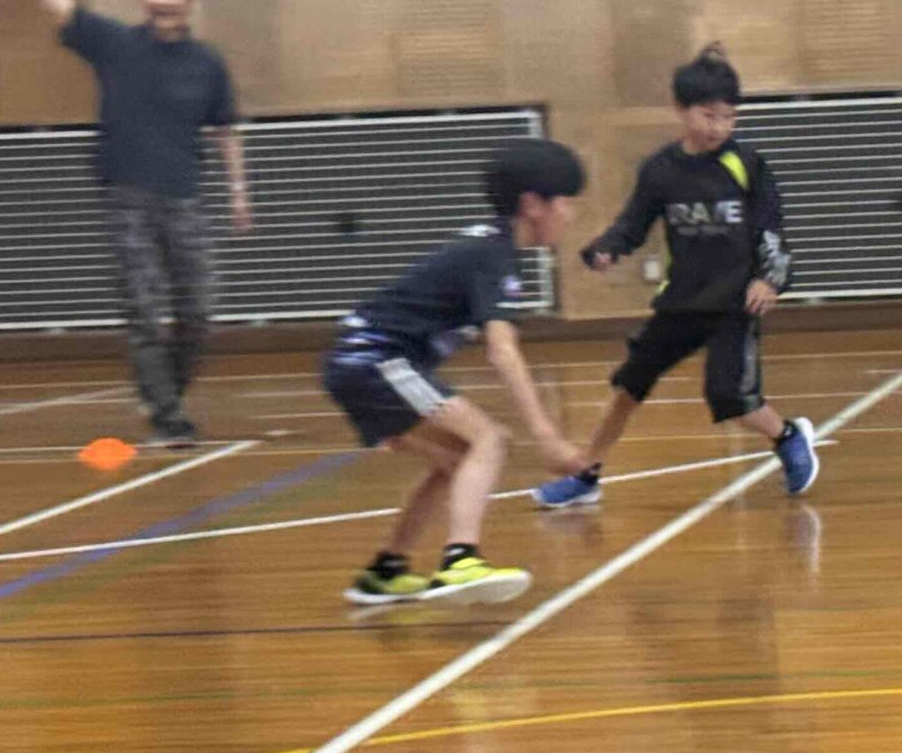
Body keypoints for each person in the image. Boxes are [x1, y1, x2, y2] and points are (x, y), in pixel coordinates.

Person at [0, 0, 250, 446]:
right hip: (127, 197)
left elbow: (225, 128)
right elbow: (52, 1)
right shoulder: (114, 44)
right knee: (144, 310)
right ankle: (167, 415)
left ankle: (164, 393)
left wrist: (238, 191)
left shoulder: (208, 62)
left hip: (184, 198)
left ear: (188, 1)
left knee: (199, 311)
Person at [533, 45, 817, 509]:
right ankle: (586, 473)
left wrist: (769, 279)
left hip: (734, 304)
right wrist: (608, 248)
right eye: (708, 116)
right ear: (680, 110)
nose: (718, 127)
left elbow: (770, 227)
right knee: (629, 386)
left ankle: (788, 437)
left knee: (731, 397)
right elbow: (633, 223)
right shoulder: (661, 170)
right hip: (681, 301)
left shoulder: (747, 164)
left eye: (728, 117)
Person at [323, 139, 592, 607]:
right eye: (566, 202)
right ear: (533, 204)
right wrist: (546, 435)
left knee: (456, 458)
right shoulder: (493, 256)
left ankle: (386, 571)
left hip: (361, 363)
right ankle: (461, 560)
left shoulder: (490, 247)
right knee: (491, 439)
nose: (571, 215)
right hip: (374, 360)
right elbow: (503, 352)